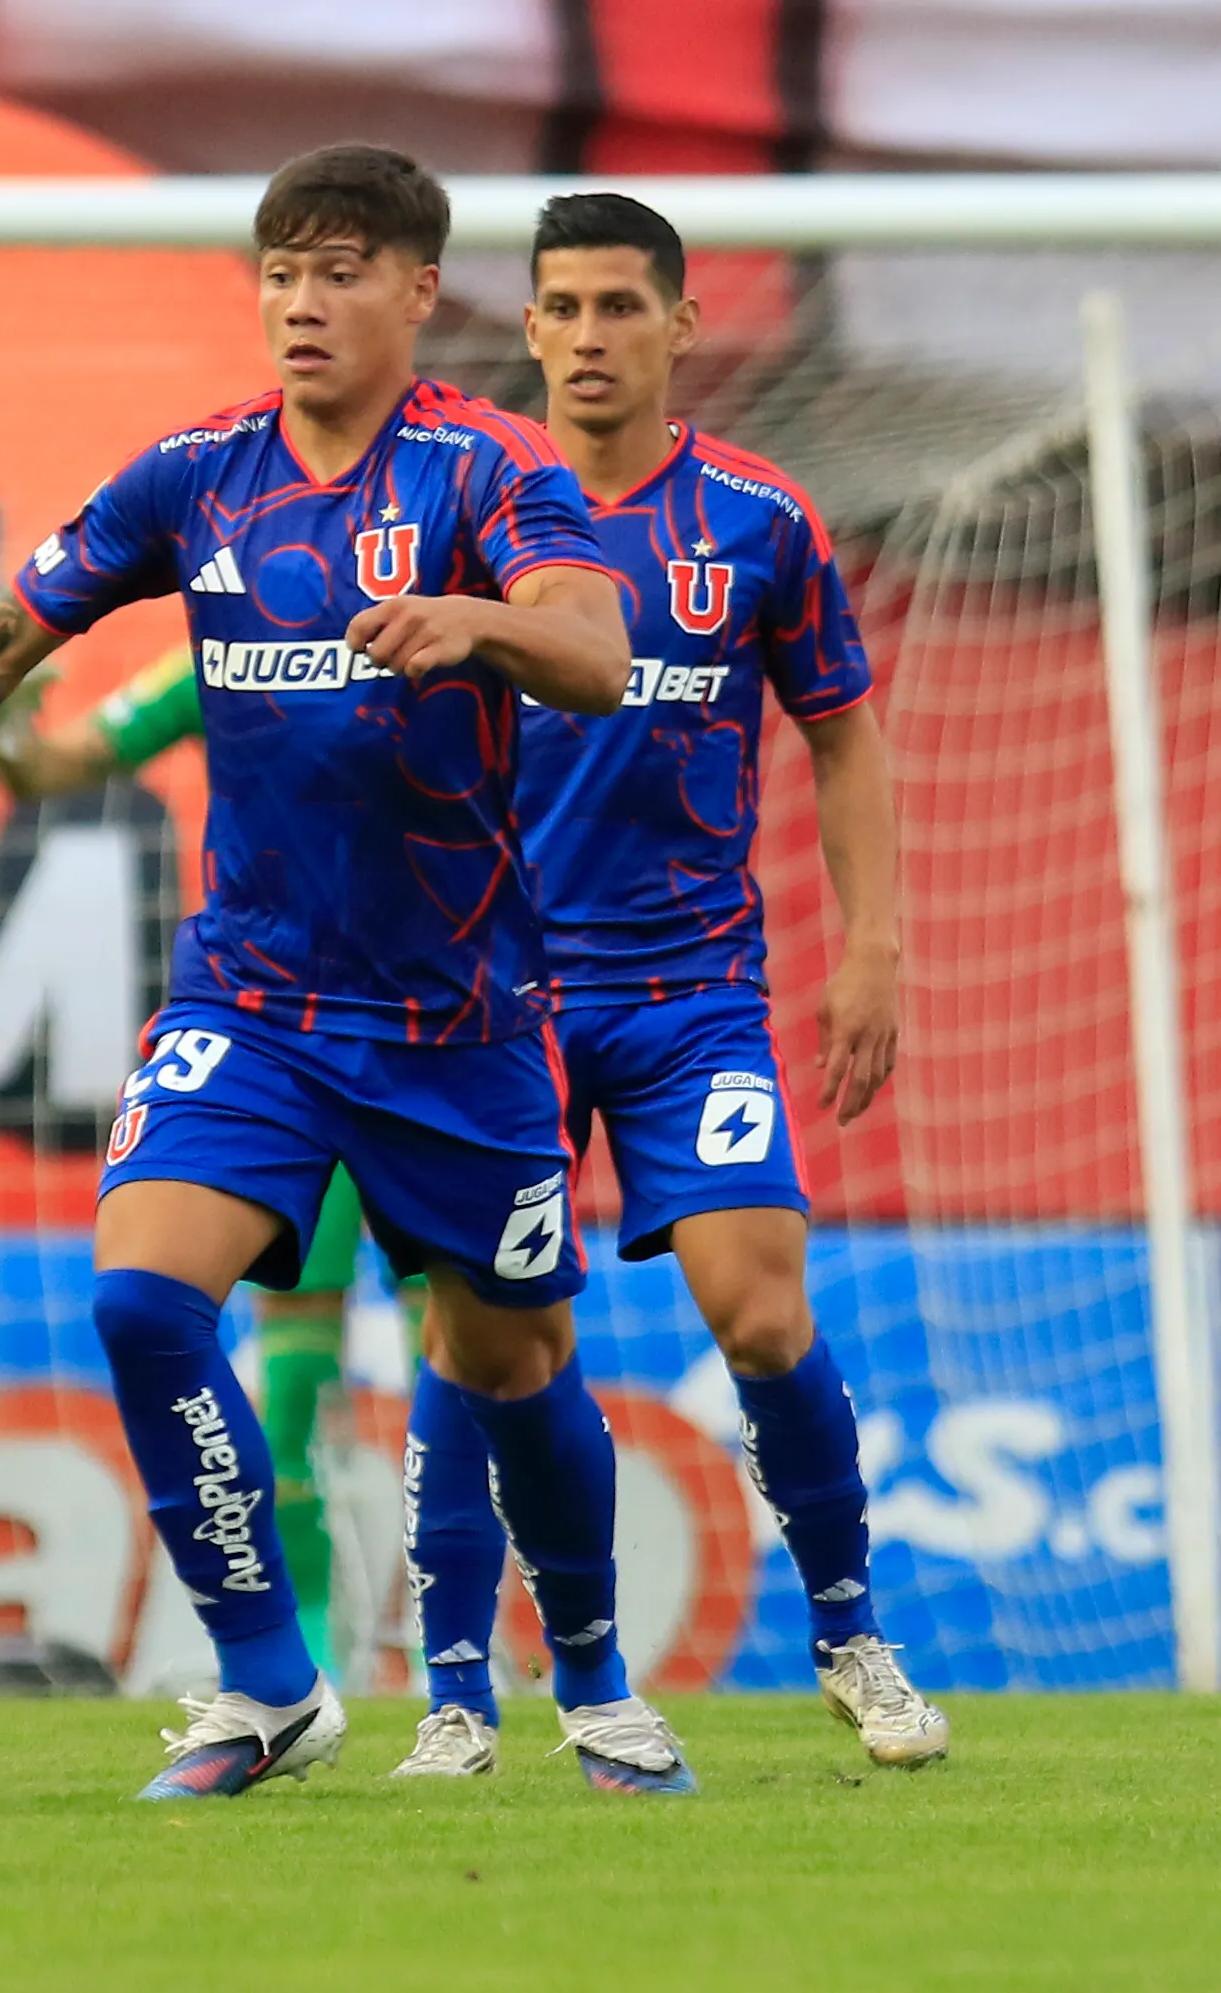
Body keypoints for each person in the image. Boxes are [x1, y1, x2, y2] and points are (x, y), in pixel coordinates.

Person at [0, 143, 697, 1800]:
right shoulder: (196, 476)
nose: (301, 302)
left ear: (418, 291)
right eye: (278, 271)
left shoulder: (488, 472)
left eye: (339, 270)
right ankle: (269, 1681)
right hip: (250, 1002)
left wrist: (473, 624)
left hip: (458, 1021)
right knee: (137, 1294)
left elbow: (601, 653)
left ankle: (601, 1681)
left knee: (509, 1362)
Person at [391, 192, 948, 1779]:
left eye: (617, 307)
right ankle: (452, 1695)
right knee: (476, 1335)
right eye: (558, 308)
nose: (582, 337)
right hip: (494, 995)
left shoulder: (760, 522)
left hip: (693, 984)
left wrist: (876, 945)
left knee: (759, 1310)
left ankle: (852, 1638)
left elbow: (840, 730)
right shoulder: (465, 504)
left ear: (681, 328)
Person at [0, 656, 428, 1673]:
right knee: (295, 1367)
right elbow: (46, 766)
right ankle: (311, 1639)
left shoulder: (444, 639)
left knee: (459, 1360)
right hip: (284, 1049)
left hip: (433, 1045)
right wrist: (4, 716)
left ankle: (455, 1645)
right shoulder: (228, 651)